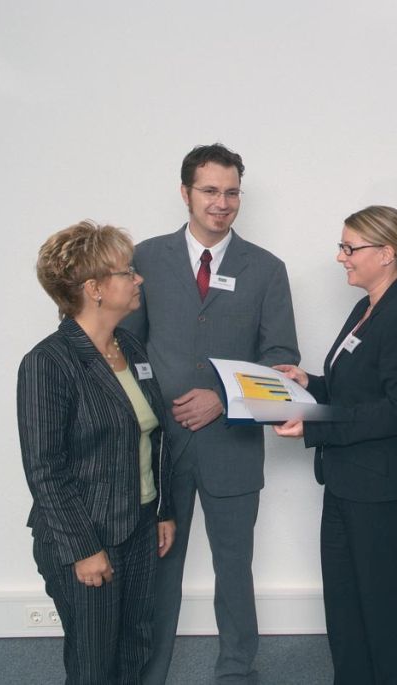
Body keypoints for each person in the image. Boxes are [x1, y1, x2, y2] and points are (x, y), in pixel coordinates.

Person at [123, 143, 300, 684]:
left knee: (234, 568)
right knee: (158, 569)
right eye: (209, 191)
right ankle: (149, 674)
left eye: (231, 192)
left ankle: (236, 672)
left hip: (232, 447)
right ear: (185, 193)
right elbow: (126, 348)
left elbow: (281, 360)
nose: (221, 203)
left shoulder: (266, 269)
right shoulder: (144, 260)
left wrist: (223, 397)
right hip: (161, 448)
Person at [273, 205, 397, 684]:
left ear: (386, 254)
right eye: (341, 246)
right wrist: (309, 383)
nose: (340, 256)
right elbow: (356, 390)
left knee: (386, 618)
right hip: (346, 485)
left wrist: (314, 426)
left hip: (383, 494)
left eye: (350, 247)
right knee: (346, 614)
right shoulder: (367, 308)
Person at [17, 220, 176, 683]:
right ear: (95, 289)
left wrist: (162, 510)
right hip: (87, 536)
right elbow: (45, 470)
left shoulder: (130, 347)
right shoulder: (48, 362)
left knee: (135, 649)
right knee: (94, 665)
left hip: (140, 526)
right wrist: (84, 549)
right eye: (127, 272)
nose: (138, 279)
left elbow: (153, 435)